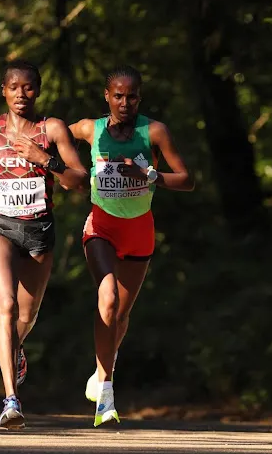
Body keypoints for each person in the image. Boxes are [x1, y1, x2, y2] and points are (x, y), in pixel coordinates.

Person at [0, 59, 87, 429]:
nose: (21, 94)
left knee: (26, 318)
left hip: (39, 232)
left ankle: (15, 352)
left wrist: (44, 159)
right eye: (13, 87)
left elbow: (78, 180)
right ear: (3, 90)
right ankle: (11, 398)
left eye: (28, 87)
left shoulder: (52, 128)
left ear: (38, 90)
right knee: (7, 306)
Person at [69, 65, 195, 427]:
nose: (125, 102)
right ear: (106, 96)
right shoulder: (89, 129)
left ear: (140, 97)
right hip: (101, 227)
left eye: (132, 96)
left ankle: (99, 372)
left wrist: (147, 175)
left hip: (140, 230)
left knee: (120, 316)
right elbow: (59, 136)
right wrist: (74, 173)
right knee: (106, 299)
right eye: (118, 96)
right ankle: (106, 395)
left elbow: (187, 180)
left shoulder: (154, 132)